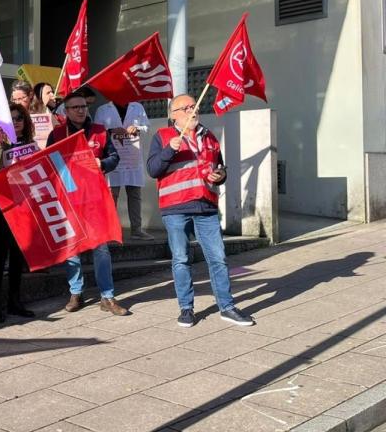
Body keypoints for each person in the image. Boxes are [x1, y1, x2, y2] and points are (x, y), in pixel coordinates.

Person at [147, 94, 255, 328]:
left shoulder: (210, 138)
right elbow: (153, 170)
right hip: (175, 208)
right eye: (186, 108)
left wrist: (220, 175)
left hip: (206, 206)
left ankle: (226, 306)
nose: (192, 111)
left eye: (194, 106)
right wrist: (168, 151)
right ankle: (186, 308)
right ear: (173, 115)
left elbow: (219, 169)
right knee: (181, 258)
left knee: (218, 258)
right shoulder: (163, 136)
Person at [48, 91, 127, 316]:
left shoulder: (100, 131)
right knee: (72, 248)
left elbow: (114, 158)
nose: (81, 110)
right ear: (66, 111)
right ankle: (76, 292)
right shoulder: (57, 134)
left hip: (95, 198)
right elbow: (50, 163)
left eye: (83, 106)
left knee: (101, 248)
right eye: (75, 107)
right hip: (69, 198)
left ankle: (107, 296)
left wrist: (100, 163)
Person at [0, 103, 36, 323]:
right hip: (2, 207)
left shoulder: (32, 145)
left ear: (25, 122)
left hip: (24, 206)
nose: (15, 122)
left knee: (18, 256)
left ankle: (14, 302)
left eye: (19, 118)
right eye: (12, 118)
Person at [95, 99, 154, 240]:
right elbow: (96, 131)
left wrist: (137, 128)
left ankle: (137, 229)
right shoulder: (103, 109)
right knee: (112, 196)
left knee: (135, 194)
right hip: (113, 157)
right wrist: (110, 131)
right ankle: (112, 231)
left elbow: (147, 126)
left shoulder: (137, 106)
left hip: (132, 157)